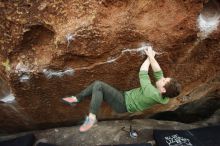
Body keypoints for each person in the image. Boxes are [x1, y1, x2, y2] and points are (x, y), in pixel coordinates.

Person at [62, 47, 181, 132]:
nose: (163, 78)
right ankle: (76, 99)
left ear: (163, 90)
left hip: (123, 103)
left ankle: (91, 118)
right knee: (96, 87)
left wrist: (150, 56)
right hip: (125, 97)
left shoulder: (151, 92)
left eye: (165, 80)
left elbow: (143, 72)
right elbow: (158, 72)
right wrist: (152, 57)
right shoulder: (164, 95)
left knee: (98, 85)